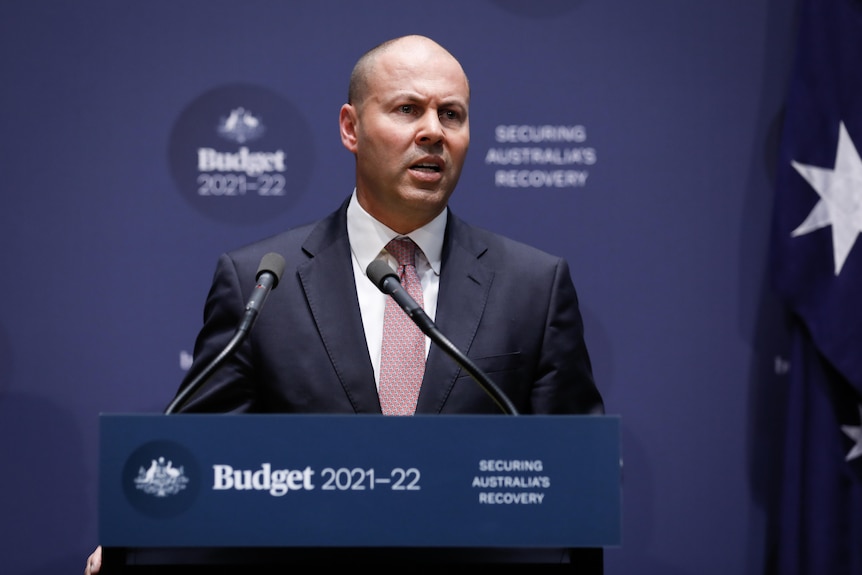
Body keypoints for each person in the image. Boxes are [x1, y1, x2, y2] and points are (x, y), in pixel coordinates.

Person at [86, 34, 603, 572]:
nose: (433, 131)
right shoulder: (259, 282)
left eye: (452, 115)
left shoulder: (534, 286)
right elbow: (202, 465)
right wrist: (142, 530)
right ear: (351, 128)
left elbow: (578, 485)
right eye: (408, 109)